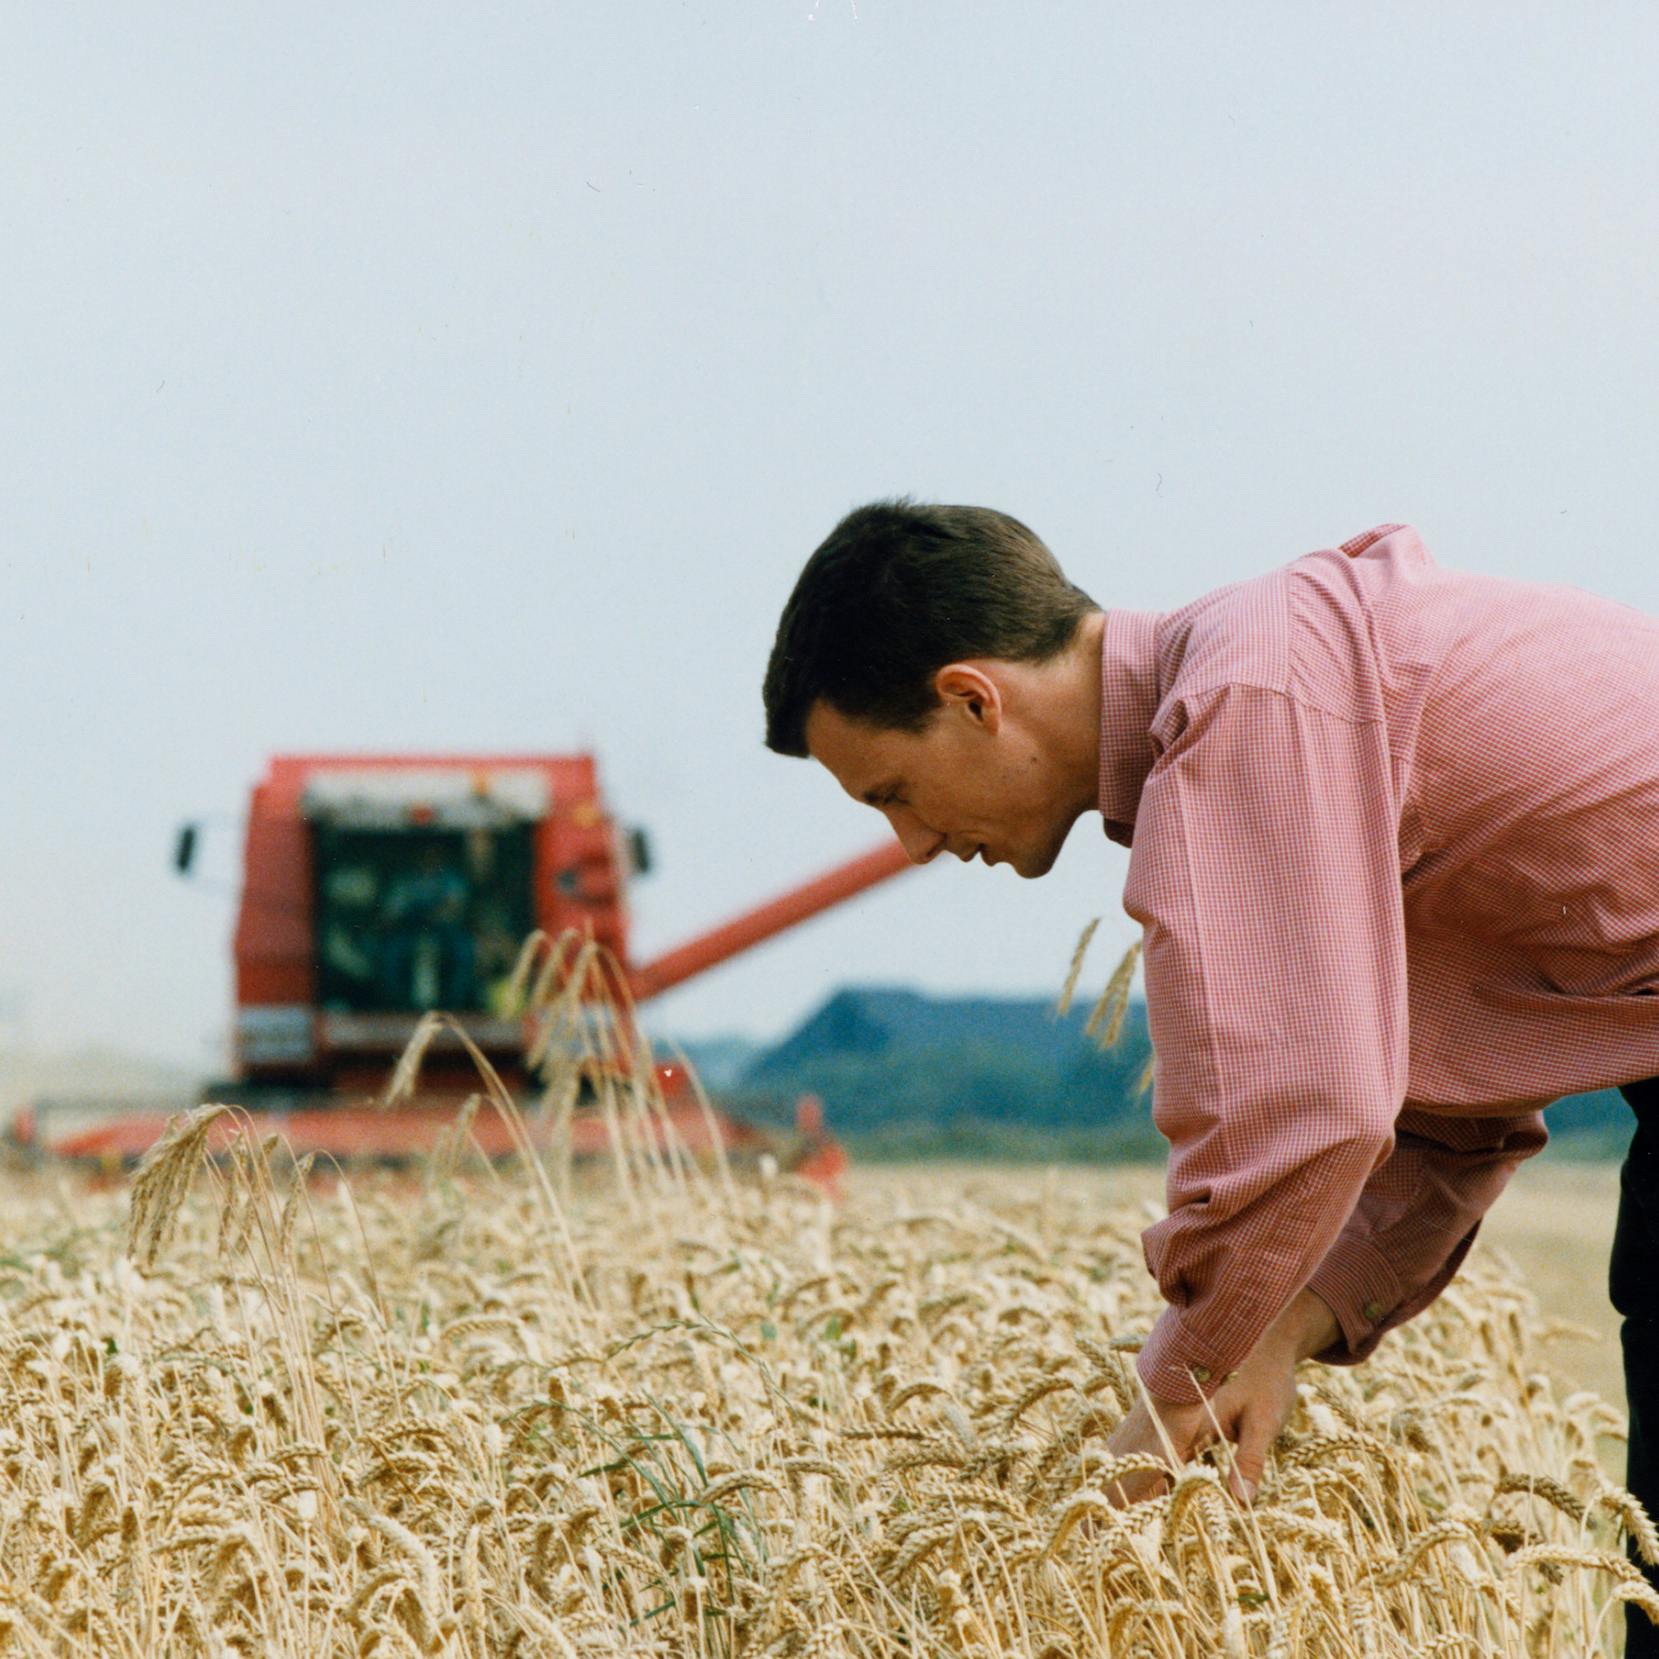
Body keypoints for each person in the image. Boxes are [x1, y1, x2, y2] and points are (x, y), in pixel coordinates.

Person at [762, 500, 1659, 1651]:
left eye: (892, 791)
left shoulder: (1248, 706)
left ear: (974, 699)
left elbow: (1310, 1112)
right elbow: (1444, 1125)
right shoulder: (1285, 683)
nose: (915, 843)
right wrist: (1272, 1328)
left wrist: (1172, 1389)